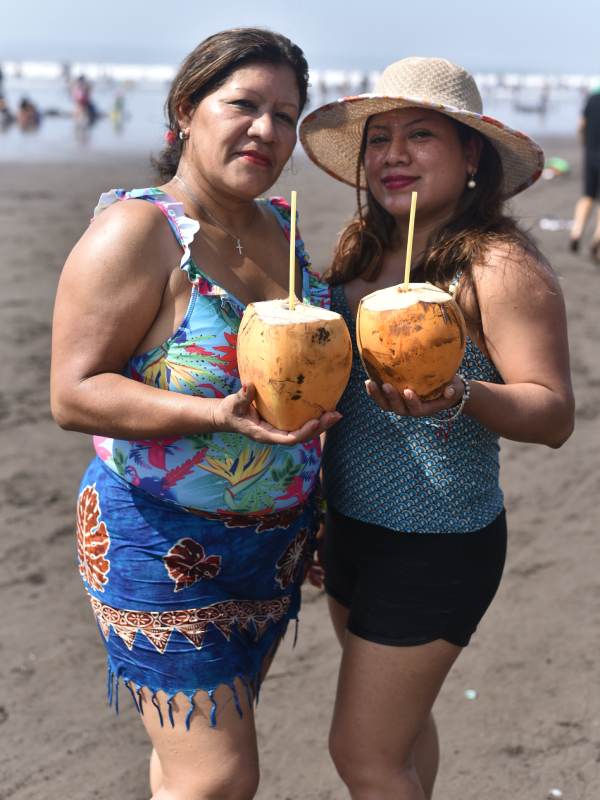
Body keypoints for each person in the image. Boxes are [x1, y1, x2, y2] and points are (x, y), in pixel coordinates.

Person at [50, 28, 339, 800]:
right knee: (217, 777)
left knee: (187, 772)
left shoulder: (282, 228)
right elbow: (74, 391)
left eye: (285, 115)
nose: (266, 131)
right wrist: (213, 416)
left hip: (274, 547)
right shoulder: (138, 233)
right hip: (158, 541)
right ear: (185, 109)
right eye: (244, 105)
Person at [300, 57, 575, 800]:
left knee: (362, 754)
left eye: (420, 136)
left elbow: (553, 414)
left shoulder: (496, 265)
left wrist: (460, 394)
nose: (394, 154)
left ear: (470, 154)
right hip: (351, 527)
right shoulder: (363, 246)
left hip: (438, 540)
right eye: (380, 138)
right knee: (402, 735)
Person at [569, 85, 600, 261]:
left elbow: (581, 125)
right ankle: (597, 238)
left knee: (587, 195)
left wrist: (585, 143)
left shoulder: (592, 99)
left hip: (590, 154)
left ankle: (576, 231)